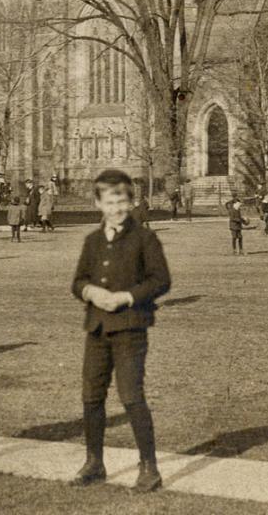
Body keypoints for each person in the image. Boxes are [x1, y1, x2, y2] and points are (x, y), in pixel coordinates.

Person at [68, 168, 171, 493]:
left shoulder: (145, 238)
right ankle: (94, 463)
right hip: (97, 329)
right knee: (91, 397)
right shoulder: (92, 240)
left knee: (131, 397)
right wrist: (90, 293)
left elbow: (161, 280)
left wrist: (127, 297)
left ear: (131, 201)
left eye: (123, 201)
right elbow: (78, 280)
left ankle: (149, 468)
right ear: (98, 203)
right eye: (111, 202)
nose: (117, 209)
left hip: (130, 329)